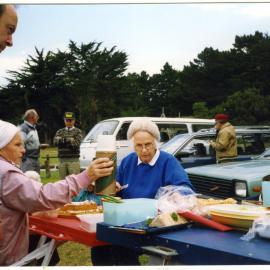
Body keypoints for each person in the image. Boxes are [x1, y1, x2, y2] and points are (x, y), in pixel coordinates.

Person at [0, 119, 114, 266]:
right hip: (7, 257)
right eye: (17, 144)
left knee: (46, 243)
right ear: (2, 148)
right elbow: (44, 196)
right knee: (46, 246)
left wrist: (28, 213)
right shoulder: (6, 174)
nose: (23, 150)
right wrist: (86, 176)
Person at [91, 118, 193, 266]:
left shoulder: (168, 161)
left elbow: (185, 190)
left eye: (148, 145)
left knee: (121, 250)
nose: (144, 150)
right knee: (99, 248)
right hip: (126, 221)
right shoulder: (128, 161)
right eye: (139, 145)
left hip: (155, 225)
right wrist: (114, 186)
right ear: (133, 145)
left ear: (156, 143)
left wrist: (176, 195)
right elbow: (114, 189)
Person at [54, 112, 83, 179]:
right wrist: (69, 140)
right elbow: (55, 143)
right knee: (62, 183)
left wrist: (62, 140)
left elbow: (75, 145)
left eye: (70, 120)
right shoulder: (59, 131)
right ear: (64, 120)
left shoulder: (78, 131)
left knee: (74, 182)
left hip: (74, 161)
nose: (69, 122)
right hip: (62, 161)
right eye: (67, 120)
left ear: (74, 120)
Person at [20, 109, 42, 173]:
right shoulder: (23, 128)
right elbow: (20, 144)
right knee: (27, 180)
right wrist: (24, 159)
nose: (38, 118)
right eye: (37, 116)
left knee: (36, 181)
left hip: (36, 158)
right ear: (32, 117)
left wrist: (39, 146)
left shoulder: (34, 128)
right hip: (28, 160)